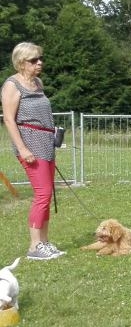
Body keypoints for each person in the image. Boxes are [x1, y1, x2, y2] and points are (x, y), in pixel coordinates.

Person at [1, 42, 66, 260]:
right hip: (29, 143)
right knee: (43, 193)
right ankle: (34, 246)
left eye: (40, 59)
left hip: (46, 142)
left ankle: (45, 242)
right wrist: (22, 148)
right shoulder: (12, 85)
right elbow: (9, 120)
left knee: (48, 194)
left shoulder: (37, 83)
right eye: (33, 60)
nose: (39, 63)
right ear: (21, 62)